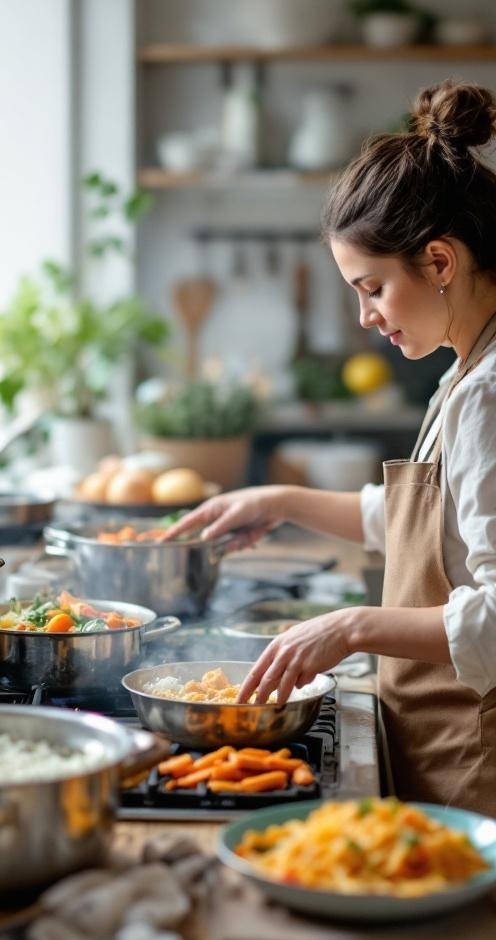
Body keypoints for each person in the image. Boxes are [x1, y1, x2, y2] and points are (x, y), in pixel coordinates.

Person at [164, 80, 496, 816]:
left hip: (475, 765)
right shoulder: (465, 368)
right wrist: (279, 500)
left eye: (371, 287)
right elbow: (423, 530)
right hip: (437, 746)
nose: (364, 316)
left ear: (439, 263)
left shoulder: (488, 394)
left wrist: (349, 627)